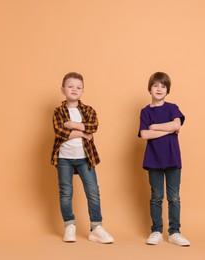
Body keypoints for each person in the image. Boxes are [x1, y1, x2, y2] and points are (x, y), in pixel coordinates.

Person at [51, 72, 114, 244]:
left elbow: (94, 127)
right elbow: (60, 132)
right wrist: (83, 133)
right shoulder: (58, 111)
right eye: (70, 86)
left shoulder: (88, 110)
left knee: (93, 191)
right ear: (63, 89)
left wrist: (72, 125)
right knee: (65, 192)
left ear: (82, 91)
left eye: (78, 87)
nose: (74, 89)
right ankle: (69, 225)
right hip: (64, 158)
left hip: (85, 157)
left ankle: (96, 227)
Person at [138, 72, 190, 246]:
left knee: (174, 197)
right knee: (156, 197)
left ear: (167, 90)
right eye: (155, 85)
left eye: (163, 86)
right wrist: (168, 129)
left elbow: (177, 124)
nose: (159, 89)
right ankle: (156, 231)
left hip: (173, 159)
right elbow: (144, 134)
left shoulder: (172, 107)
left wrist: (156, 128)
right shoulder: (145, 111)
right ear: (149, 88)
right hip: (153, 160)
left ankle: (175, 232)